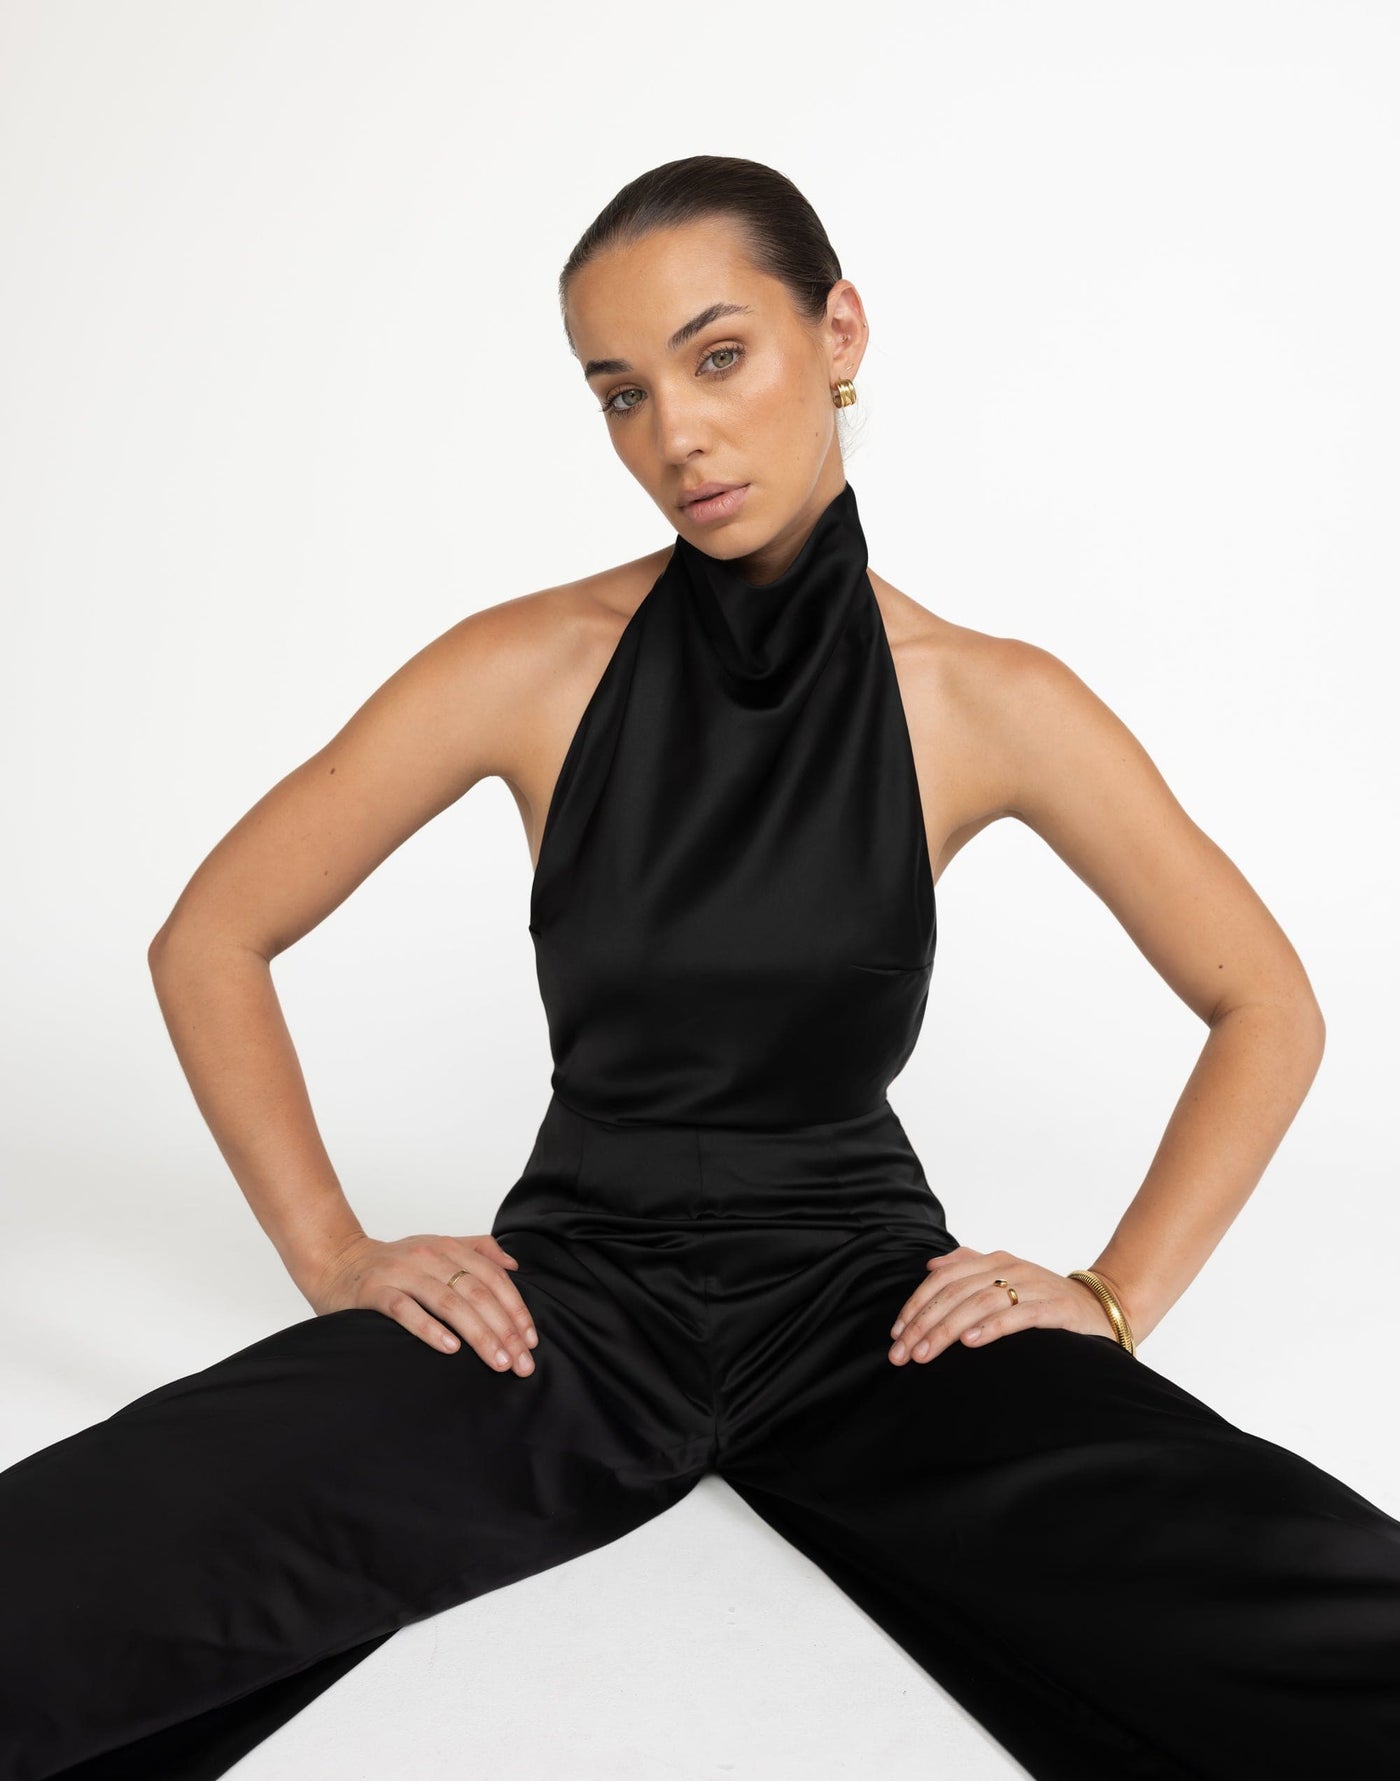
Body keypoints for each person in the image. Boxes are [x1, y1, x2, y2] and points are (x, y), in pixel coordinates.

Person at [2, 151, 1398, 1781]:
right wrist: (332, 1250)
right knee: (66, 1573)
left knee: (1315, 1612)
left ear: (839, 332)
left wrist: (1110, 1293)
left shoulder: (987, 698)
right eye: (621, 393)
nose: (675, 434)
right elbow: (211, 937)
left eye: (718, 356)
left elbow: (1268, 1006)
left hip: (876, 1317)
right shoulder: (530, 664)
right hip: (565, 1310)